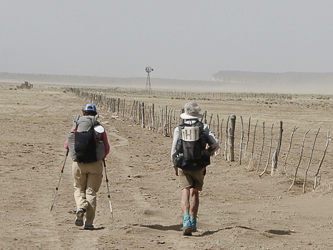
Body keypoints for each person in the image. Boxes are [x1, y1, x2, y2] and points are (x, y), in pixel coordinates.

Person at [171, 101, 219, 236]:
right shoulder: (204, 128)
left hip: (183, 164)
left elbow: (174, 151)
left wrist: (174, 165)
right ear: (198, 114)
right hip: (199, 165)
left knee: (184, 192)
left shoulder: (179, 129)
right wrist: (207, 153)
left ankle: (185, 221)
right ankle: (193, 223)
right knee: (195, 193)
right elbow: (215, 144)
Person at [64, 104, 110, 230]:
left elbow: (67, 145)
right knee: (91, 192)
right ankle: (88, 223)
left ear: (83, 113)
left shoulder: (76, 126)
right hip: (95, 164)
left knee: (78, 188)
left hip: (78, 163)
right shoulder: (99, 127)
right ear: (95, 114)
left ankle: (81, 206)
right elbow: (106, 148)